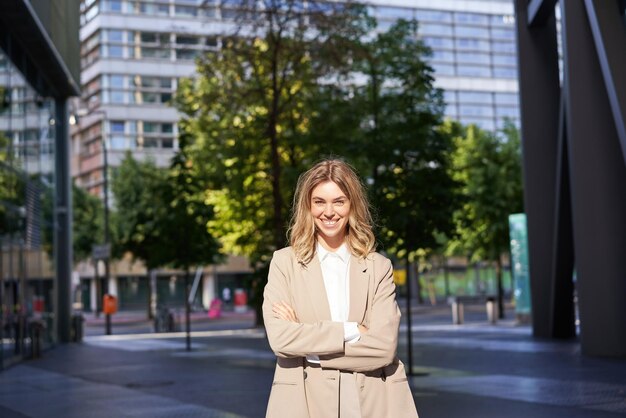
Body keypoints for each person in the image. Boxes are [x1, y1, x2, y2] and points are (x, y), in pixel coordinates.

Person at [263, 159, 418, 418]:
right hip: (304, 399)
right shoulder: (284, 262)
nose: (329, 211)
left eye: (339, 201)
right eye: (319, 202)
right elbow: (281, 339)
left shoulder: (378, 267)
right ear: (308, 207)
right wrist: (351, 330)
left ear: (351, 205)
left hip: (366, 398)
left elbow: (383, 348)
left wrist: (311, 353)